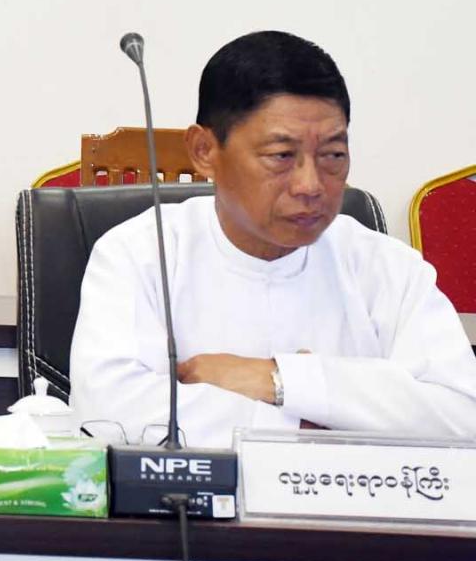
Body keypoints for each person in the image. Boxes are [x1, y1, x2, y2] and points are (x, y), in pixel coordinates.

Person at [70, 30, 476, 448]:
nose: (310, 185)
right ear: (204, 150)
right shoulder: (139, 253)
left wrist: (278, 379)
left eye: (333, 156)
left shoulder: (387, 267)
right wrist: (313, 425)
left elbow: (462, 414)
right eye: (281, 156)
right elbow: (108, 413)